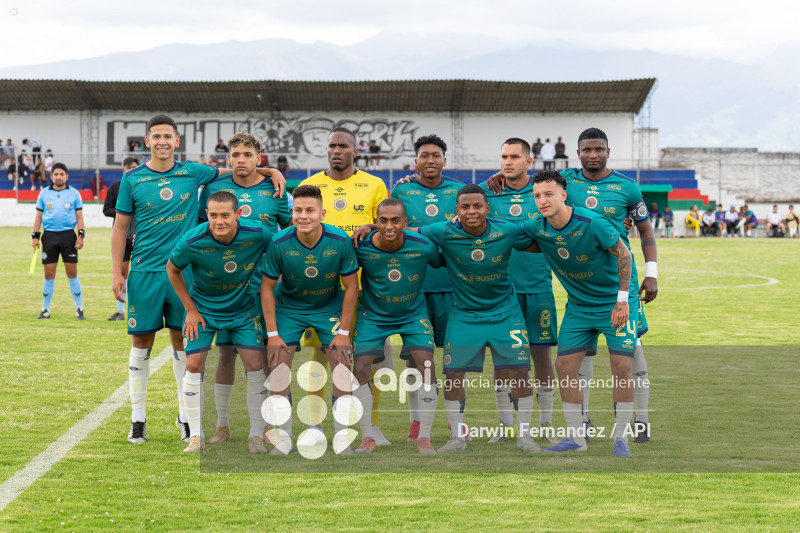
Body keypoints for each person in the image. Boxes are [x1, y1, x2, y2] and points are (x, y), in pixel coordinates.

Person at [112, 114, 285, 445]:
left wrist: (271, 171)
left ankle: (196, 421)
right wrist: (116, 271)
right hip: (151, 273)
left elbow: (239, 175)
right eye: (156, 136)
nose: (162, 141)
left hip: (217, 281)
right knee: (148, 345)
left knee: (205, 348)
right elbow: (120, 227)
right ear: (146, 141)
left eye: (168, 136)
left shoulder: (195, 173)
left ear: (177, 141)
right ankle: (141, 418)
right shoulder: (137, 180)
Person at [484, 127, 658, 444]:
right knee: (582, 356)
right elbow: (533, 177)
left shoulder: (627, 187)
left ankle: (641, 422)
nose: (593, 154)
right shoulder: (567, 179)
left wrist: (653, 272)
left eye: (599, 149)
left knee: (632, 352)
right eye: (587, 150)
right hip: (580, 283)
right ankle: (583, 423)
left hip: (620, 277)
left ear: (608, 151)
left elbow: (645, 231)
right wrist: (502, 173)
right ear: (577, 153)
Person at [522, 170, 636, 457]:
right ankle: (576, 438)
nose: (542, 200)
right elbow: (502, 231)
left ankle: (621, 438)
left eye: (548, 194)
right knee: (564, 368)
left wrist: (622, 301)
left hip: (614, 305)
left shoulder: (591, 222)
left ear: (563, 195)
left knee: (621, 368)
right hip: (578, 307)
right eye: (537, 196)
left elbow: (625, 255)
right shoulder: (538, 228)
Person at [197, 132, 291, 445]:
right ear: (228, 158)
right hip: (225, 287)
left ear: (258, 158)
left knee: (263, 357)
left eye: (247, 155)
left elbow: (287, 232)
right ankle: (221, 425)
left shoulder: (274, 188)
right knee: (225, 355)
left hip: (264, 286)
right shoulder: (213, 188)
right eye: (235, 154)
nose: (240, 160)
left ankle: (263, 425)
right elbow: (202, 232)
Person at [299, 127, 390, 446]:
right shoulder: (311, 186)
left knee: (370, 360)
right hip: (320, 289)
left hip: (365, 288)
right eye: (332, 146)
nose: (336, 150)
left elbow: (388, 222)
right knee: (319, 358)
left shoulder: (375, 184)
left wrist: (373, 224)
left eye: (343, 146)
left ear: (355, 151)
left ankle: (372, 427)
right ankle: (313, 425)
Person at [167, 191, 271, 454]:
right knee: (193, 363)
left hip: (244, 309)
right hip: (203, 310)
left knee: (255, 364)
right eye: (213, 215)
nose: (219, 221)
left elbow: (281, 250)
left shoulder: (258, 233)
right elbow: (172, 268)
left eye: (225, 215)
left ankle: (256, 434)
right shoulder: (193, 240)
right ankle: (196, 436)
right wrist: (190, 309)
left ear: (238, 214)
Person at [261, 184, 360, 455]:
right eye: (297, 210)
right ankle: (283, 439)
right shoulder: (279, 242)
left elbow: (351, 287)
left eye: (310, 210)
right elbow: (267, 288)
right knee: (279, 369)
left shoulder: (339, 240)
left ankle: (343, 438)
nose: (303, 216)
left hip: (327, 306)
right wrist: (272, 335)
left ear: (322, 213)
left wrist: (343, 331)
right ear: (291, 212)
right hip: (289, 307)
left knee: (342, 367)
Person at [480, 138, 558, 444]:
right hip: (499, 291)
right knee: (503, 360)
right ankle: (504, 425)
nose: (507, 162)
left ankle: (546, 423)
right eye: (503, 157)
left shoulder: (542, 193)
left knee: (541, 356)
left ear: (529, 162)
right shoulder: (488, 193)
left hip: (537, 287)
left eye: (514, 156)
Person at [351, 199, 441, 454]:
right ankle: (367, 436)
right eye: (383, 220)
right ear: (376, 221)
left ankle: (424, 436)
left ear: (405, 222)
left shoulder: (424, 246)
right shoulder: (360, 246)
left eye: (395, 221)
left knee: (426, 363)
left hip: (412, 313)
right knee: (360, 366)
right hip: (373, 315)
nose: (389, 226)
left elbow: (442, 261)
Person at [389, 134, 460, 442]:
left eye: (436, 155)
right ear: (415, 161)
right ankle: (416, 420)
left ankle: (456, 420)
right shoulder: (401, 189)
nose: (430, 160)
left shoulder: (460, 190)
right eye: (424, 155)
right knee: (414, 357)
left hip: (454, 285)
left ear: (444, 159)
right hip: (414, 287)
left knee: (455, 356)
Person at [31, 163, 85, 320]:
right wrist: (35, 236)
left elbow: (79, 216)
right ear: (51, 176)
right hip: (49, 236)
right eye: (56, 174)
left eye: (62, 174)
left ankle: (79, 309)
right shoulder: (44, 193)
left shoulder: (74, 193)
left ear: (67, 176)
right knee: (49, 274)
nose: (59, 177)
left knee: (72, 272)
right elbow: (38, 216)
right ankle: (45, 310)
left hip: (68, 236)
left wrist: (81, 236)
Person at [103, 156, 140, 321]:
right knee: (123, 271)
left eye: (135, 167)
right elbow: (106, 209)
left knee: (139, 272)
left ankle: (136, 308)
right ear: (123, 169)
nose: (132, 170)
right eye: (129, 167)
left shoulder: (143, 185)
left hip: (140, 236)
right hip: (122, 237)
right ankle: (121, 311)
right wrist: (124, 212)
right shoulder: (115, 187)